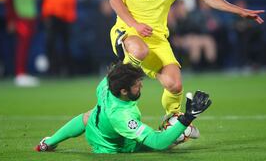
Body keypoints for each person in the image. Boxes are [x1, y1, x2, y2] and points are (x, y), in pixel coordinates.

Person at [109, 0, 263, 118]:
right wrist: (135, 25)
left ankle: (172, 120)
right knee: (139, 50)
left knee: (175, 85)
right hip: (127, 31)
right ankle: (114, 88)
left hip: (157, 38)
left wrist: (239, 11)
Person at [35, 62, 212, 153]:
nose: (141, 86)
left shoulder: (106, 83)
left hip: (96, 125)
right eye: (136, 84)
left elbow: (118, 69)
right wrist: (187, 118)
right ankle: (182, 131)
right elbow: (157, 144)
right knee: (168, 140)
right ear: (124, 91)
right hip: (113, 146)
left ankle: (48, 143)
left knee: (91, 114)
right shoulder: (123, 117)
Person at [5, 0, 39, 87]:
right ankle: (19, 73)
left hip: (30, 19)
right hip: (20, 19)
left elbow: (32, 3)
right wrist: (11, 20)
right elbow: (9, 3)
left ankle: (24, 73)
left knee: (27, 47)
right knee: (21, 47)